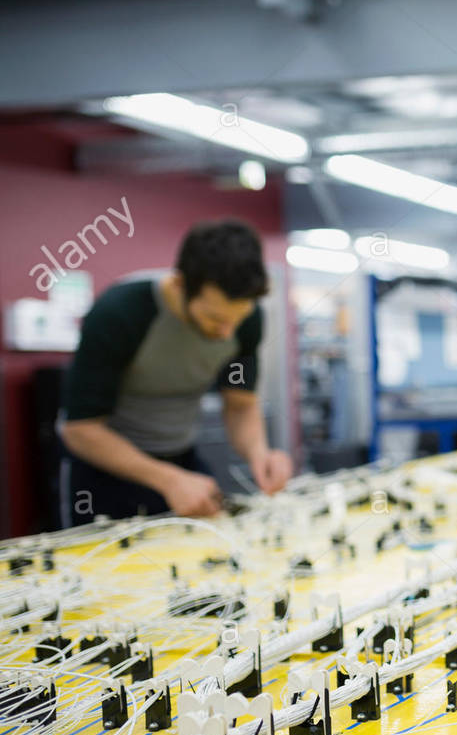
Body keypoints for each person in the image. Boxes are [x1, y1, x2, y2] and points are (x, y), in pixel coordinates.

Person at [59, 220, 293, 526]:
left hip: (183, 462)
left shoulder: (245, 318)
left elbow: (240, 404)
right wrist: (167, 480)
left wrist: (258, 454)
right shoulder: (119, 313)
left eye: (237, 320)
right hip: (106, 474)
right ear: (181, 284)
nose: (227, 333)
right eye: (215, 318)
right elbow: (80, 430)